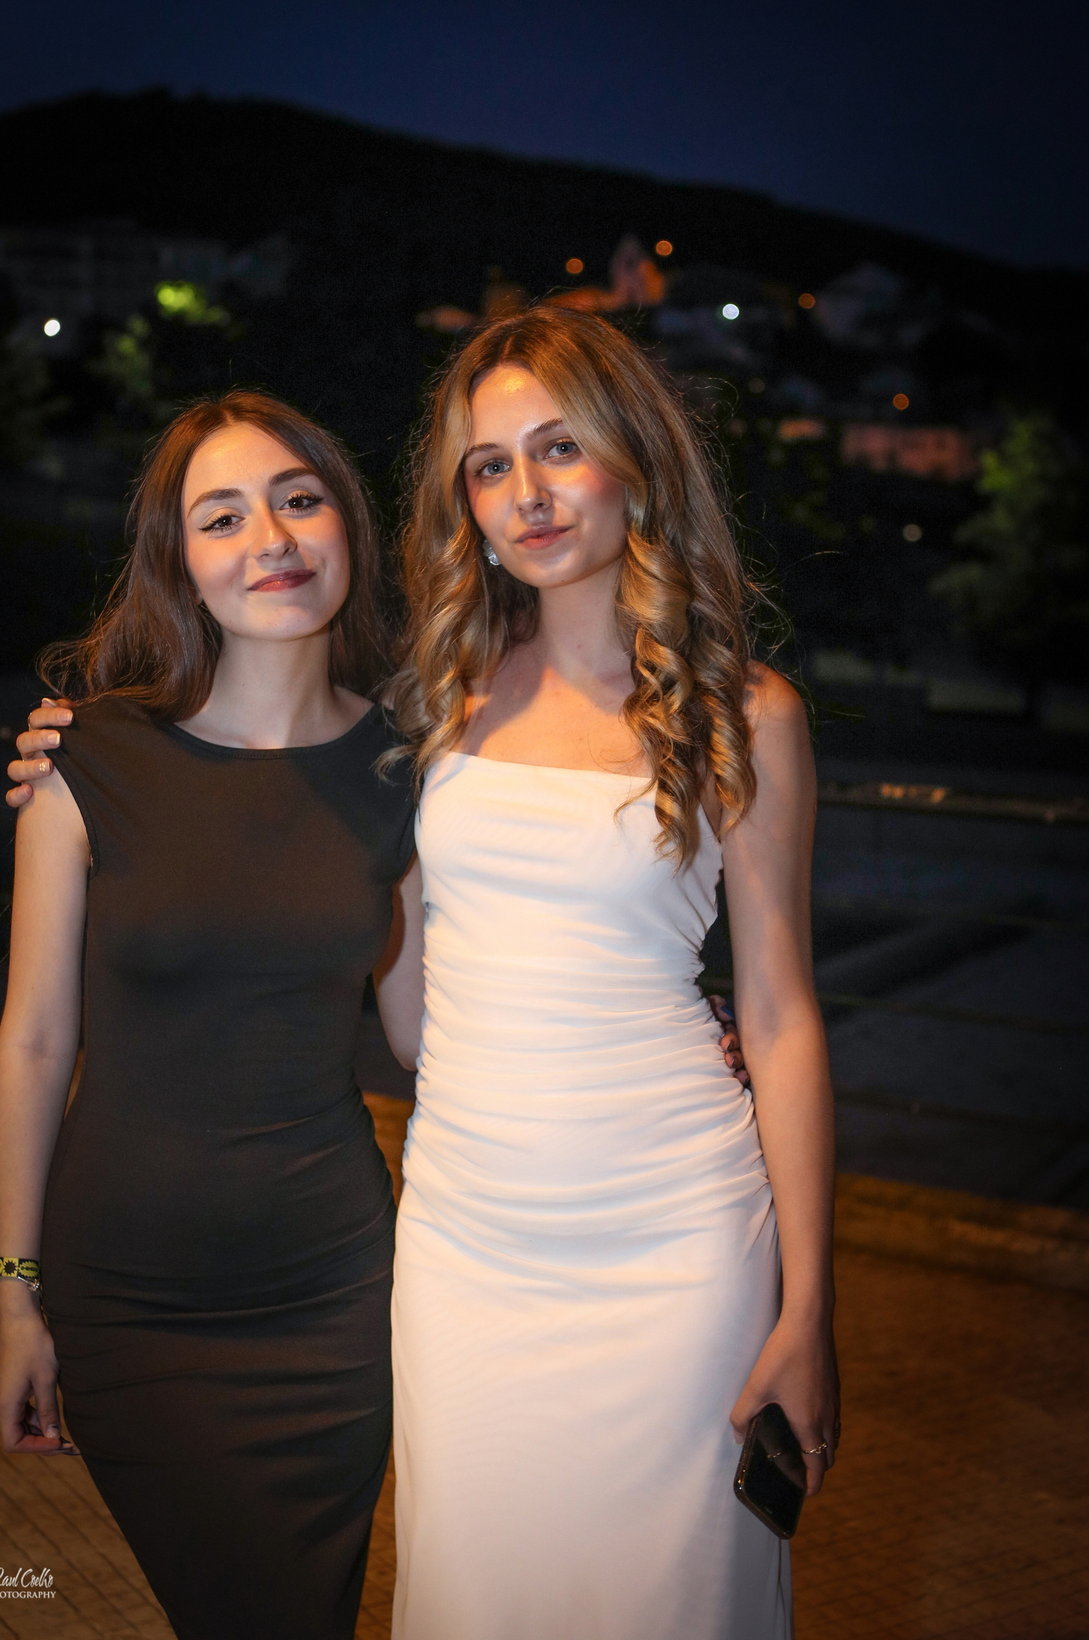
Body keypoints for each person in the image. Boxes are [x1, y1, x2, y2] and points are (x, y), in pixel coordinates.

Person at [381, 307, 838, 1639]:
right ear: (466, 506)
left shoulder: (747, 714)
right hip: (464, 1243)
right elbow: (410, 1020)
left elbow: (783, 1016)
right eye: (489, 465)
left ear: (634, 459)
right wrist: (86, 752)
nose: (526, 492)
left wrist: (811, 1306)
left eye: (560, 447)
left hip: (677, 1247)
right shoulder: (435, 704)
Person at [0, 390, 424, 1640]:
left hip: (336, 1300)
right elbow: (34, 1042)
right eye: (222, 516)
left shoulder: (405, 769)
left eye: (298, 498)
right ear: (178, 560)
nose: (270, 538)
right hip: (130, 1301)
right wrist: (11, 1296)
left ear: (347, 523)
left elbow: (427, 1035)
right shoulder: (88, 758)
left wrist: (662, 1020)